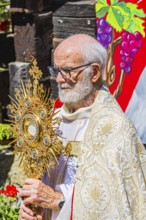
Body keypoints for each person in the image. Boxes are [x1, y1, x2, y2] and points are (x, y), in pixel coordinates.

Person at [19, 34, 146, 220]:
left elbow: (114, 207)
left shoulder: (114, 128)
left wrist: (57, 202)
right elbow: (42, 182)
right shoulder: (54, 119)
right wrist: (32, 206)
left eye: (68, 70)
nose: (59, 80)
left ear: (94, 72)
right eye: (56, 70)